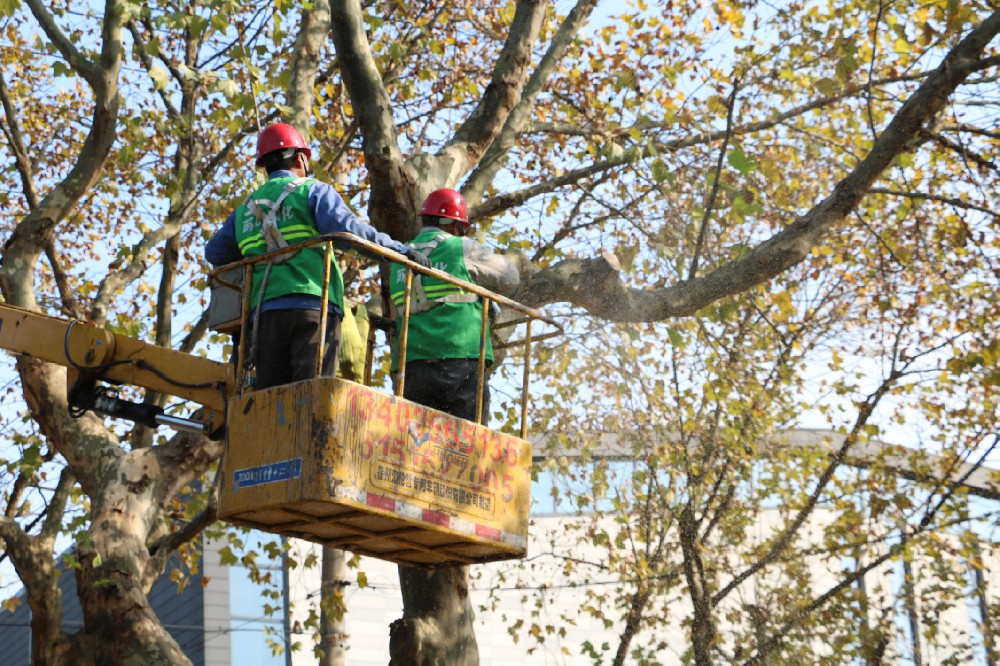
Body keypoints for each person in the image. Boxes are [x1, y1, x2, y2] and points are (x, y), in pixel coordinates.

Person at [206, 122, 430, 389]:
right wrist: (401, 252)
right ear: (301, 157)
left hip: (264, 314)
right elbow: (353, 233)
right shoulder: (312, 191)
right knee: (311, 395)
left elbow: (215, 252)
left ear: (264, 165)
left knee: (270, 399)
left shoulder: (244, 210)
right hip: (313, 305)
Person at [388, 188, 519, 423]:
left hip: (411, 367)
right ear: (452, 223)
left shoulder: (399, 256)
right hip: (459, 359)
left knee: (416, 440)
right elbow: (511, 277)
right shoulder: (461, 247)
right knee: (469, 443)